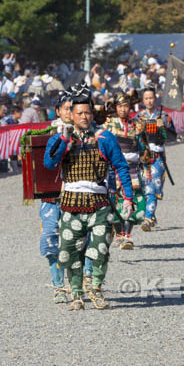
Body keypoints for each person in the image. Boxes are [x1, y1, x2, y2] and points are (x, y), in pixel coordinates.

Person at [43, 87, 134, 311]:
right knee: (70, 250)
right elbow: (49, 163)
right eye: (80, 113)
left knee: (100, 249)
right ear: (71, 115)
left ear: (92, 115)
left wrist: (128, 198)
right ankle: (76, 294)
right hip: (71, 204)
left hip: (99, 204)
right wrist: (64, 141)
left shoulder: (104, 137)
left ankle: (96, 289)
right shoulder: (60, 139)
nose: (84, 117)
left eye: (87, 113)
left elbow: (121, 167)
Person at [38, 91, 74, 303]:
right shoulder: (49, 135)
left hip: (77, 197)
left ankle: (79, 285)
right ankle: (58, 286)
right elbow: (47, 164)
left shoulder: (86, 134)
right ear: (58, 111)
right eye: (66, 108)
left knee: (78, 241)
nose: (70, 112)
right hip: (51, 197)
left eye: (74, 108)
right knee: (50, 239)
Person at [102, 93, 148, 249]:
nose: (123, 109)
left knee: (137, 200)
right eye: (120, 106)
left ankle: (127, 235)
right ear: (115, 107)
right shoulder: (108, 124)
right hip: (113, 168)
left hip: (133, 167)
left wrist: (146, 164)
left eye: (126, 106)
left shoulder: (137, 124)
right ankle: (120, 233)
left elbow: (143, 146)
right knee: (115, 201)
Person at [136, 87, 177, 231]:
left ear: (156, 98)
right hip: (143, 158)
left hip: (158, 157)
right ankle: (148, 217)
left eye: (151, 98)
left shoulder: (164, 116)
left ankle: (149, 216)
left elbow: (171, 137)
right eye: (146, 98)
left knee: (155, 187)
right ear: (143, 100)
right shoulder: (139, 117)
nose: (149, 101)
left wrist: (163, 128)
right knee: (147, 188)